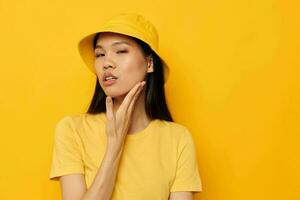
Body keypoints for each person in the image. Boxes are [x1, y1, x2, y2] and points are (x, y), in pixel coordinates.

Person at [49, 13, 202, 200]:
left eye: (121, 51)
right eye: (100, 54)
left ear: (149, 63)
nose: (107, 63)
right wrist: (114, 146)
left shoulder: (178, 140)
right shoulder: (72, 130)